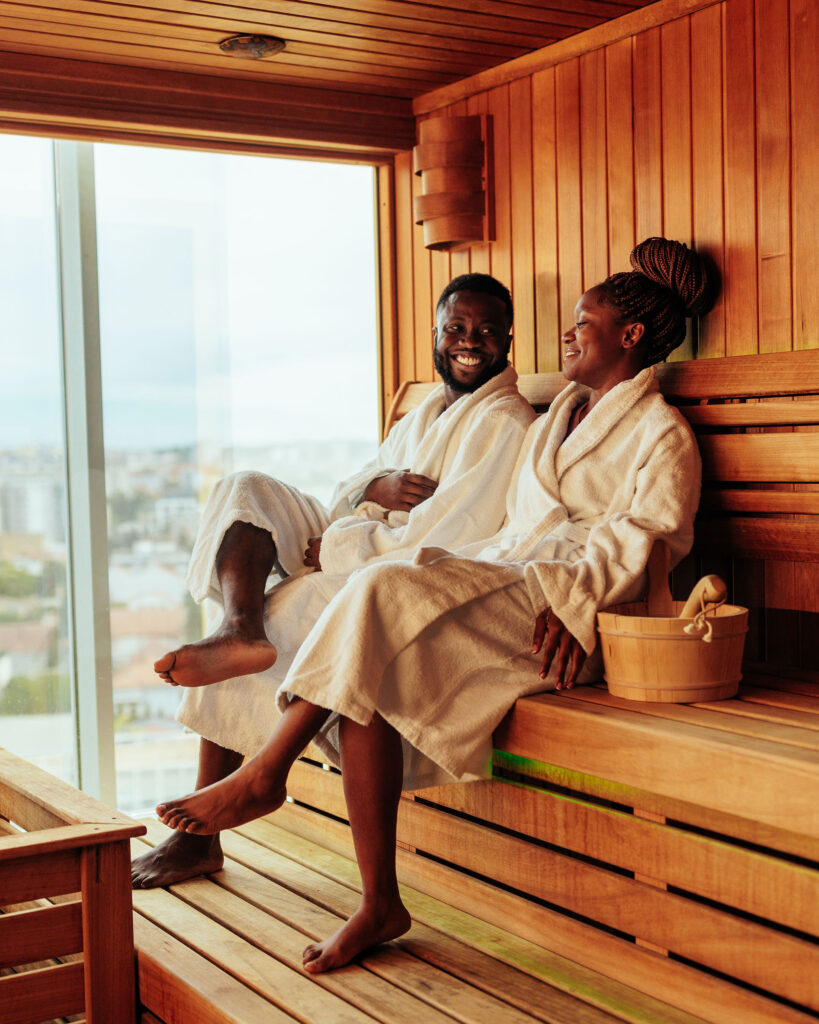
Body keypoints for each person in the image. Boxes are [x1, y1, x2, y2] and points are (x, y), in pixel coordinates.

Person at [155, 236, 715, 974]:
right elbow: (513, 527)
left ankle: (268, 773)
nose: (569, 333)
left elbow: (648, 541)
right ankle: (376, 899)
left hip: (567, 608)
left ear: (630, 336)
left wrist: (576, 606)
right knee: (372, 624)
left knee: (377, 591)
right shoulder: (562, 417)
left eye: (582, 322)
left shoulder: (659, 434)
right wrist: (392, 526)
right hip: (509, 571)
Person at [131, 273, 535, 888]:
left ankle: (203, 837)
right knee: (246, 491)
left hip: (403, 569)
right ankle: (239, 630)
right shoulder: (428, 409)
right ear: (436, 332)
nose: (468, 341)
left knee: (289, 608)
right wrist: (368, 493)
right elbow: (357, 484)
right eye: (456, 328)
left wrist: (340, 546)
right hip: (357, 544)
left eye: (484, 331)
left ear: (508, 339)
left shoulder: (502, 422)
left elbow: (450, 535)